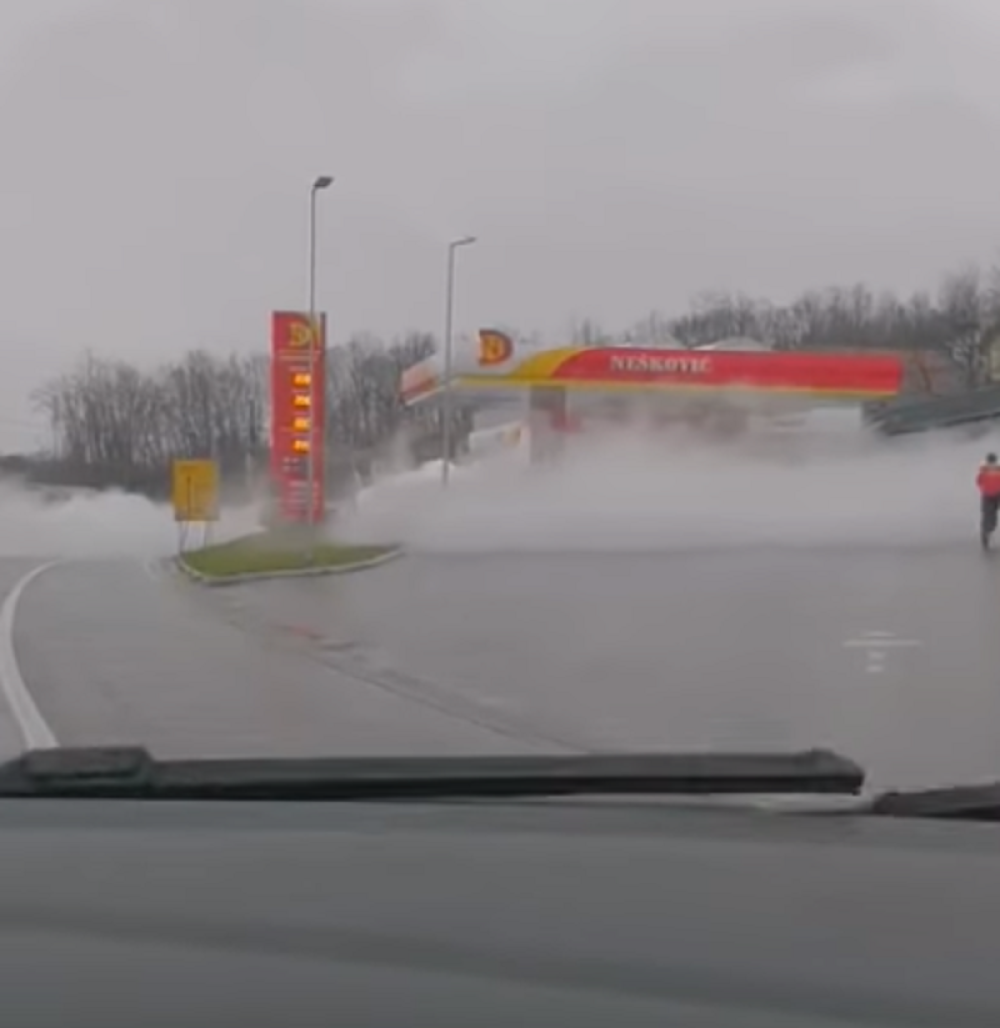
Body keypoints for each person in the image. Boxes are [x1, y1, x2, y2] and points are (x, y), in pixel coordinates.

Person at [977, 453, 1000, 540]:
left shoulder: (983, 469)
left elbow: (979, 481)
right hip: (992, 495)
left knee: (988, 515)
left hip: (989, 495)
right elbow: (979, 481)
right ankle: (986, 531)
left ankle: (986, 531)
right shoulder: (986, 469)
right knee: (989, 515)